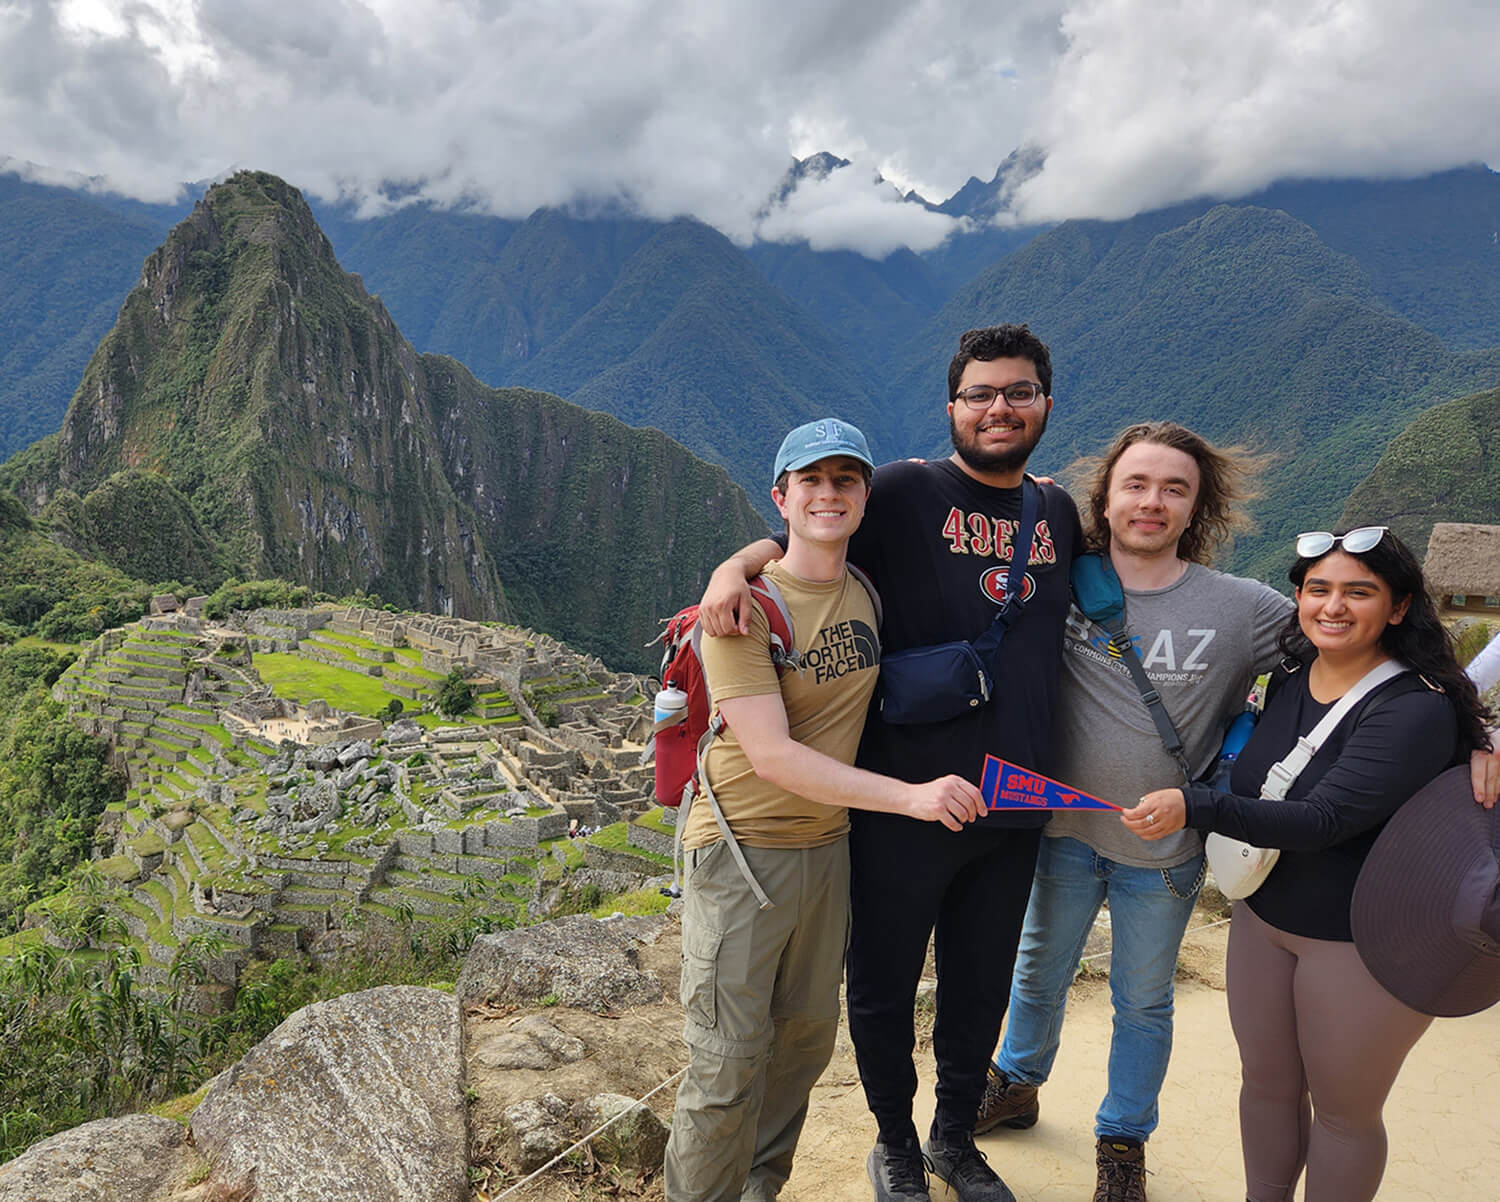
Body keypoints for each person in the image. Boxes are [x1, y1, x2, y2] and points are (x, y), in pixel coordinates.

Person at [698, 326, 1082, 1202]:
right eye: (981, 394)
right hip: (903, 797)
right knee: (883, 984)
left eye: (1018, 392)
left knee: (980, 986)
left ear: (1044, 405)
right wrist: (732, 567)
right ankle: (897, 1143)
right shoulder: (908, 492)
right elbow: (810, 531)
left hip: (1014, 800)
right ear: (952, 408)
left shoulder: (1056, 513)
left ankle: (954, 1137)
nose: (999, 409)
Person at [664, 417, 987, 1202]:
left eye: (845, 480)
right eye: (810, 480)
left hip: (826, 850)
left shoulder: (864, 588)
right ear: (781, 496)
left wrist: (1027, 491)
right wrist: (911, 798)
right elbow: (772, 755)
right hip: (742, 853)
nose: (828, 494)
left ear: (866, 498)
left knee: (802, 1049)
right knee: (727, 1061)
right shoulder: (744, 611)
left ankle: (758, 1190)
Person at [1122, 526, 1494, 1202]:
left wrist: (1195, 805)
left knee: (1345, 1113)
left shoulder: (1413, 708)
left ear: (1399, 607)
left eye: (1360, 592)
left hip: (1365, 940)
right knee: (1267, 1085)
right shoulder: (1293, 676)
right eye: (1318, 589)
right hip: (1265, 916)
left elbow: (1323, 820)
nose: (1334, 606)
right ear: (1297, 598)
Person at [976, 422, 1291, 1202]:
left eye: (1174, 489)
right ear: (1106, 498)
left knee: (1143, 1001)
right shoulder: (1056, 581)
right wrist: (745, 564)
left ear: (1197, 506)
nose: (1153, 502)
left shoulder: (1241, 608)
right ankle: (1016, 1082)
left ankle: (1122, 1139)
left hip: (1166, 851)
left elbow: (1353, 647)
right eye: (1137, 485)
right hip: (1061, 831)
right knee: (1036, 974)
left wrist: (1469, 730)